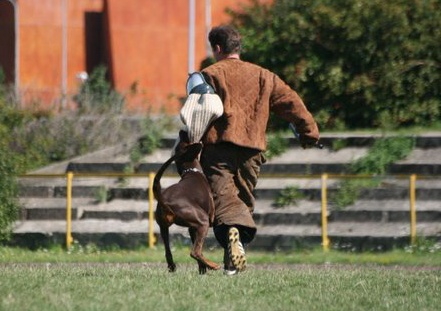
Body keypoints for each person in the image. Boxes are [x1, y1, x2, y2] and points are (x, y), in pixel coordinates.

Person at [199, 25, 320, 275]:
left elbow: (198, 113)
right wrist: (308, 131)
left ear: (218, 48)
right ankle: (232, 262)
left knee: (223, 201)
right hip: (252, 150)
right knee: (242, 201)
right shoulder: (264, 76)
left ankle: (232, 242)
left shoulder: (210, 74)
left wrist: (189, 143)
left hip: (218, 147)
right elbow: (291, 102)